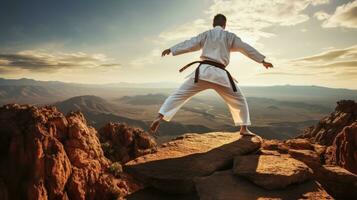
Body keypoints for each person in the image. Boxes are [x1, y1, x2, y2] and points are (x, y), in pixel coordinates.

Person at [149, 14, 273, 136]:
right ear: (224, 25)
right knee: (239, 100)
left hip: (202, 73)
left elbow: (190, 43)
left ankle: (160, 116)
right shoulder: (230, 36)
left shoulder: (206, 34)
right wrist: (262, 61)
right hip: (221, 76)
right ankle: (244, 128)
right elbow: (246, 48)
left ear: (213, 24)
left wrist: (172, 49)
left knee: (179, 94)